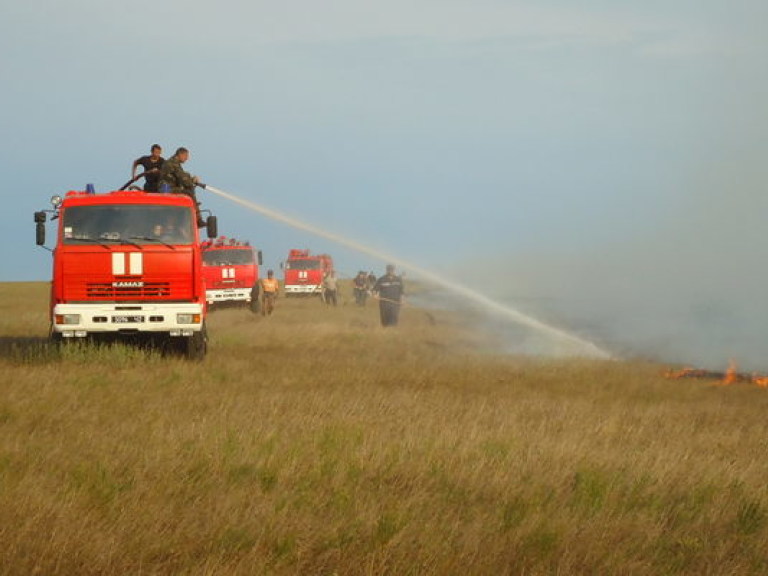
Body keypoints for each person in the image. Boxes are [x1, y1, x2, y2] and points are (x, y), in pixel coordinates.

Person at [157, 147, 204, 224]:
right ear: (180, 154)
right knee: (189, 192)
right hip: (167, 189)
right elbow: (184, 180)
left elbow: (182, 176)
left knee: (188, 189)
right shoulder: (173, 163)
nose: (187, 158)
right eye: (186, 156)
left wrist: (190, 179)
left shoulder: (173, 162)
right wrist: (193, 180)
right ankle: (198, 218)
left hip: (168, 187)